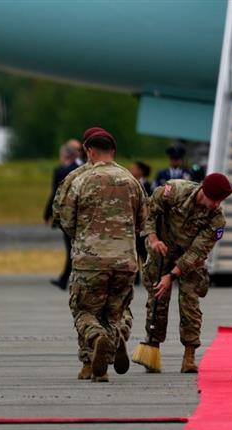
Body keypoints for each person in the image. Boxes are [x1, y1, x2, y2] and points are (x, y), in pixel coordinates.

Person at [54, 127, 146, 383]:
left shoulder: (80, 180)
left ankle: (97, 338)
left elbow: (65, 219)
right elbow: (142, 221)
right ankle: (106, 354)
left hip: (90, 259)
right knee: (116, 311)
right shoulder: (131, 181)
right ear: (113, 151)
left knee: (84, 310)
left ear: (89, 152)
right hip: (125, 261)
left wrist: (84, 237)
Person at [131, 173, 232, 374]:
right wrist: (153, 239)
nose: (215, 204)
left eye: (220, 201)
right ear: (203, 191)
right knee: (157, 299)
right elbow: (148, 211)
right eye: (214, 199)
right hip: (162, 250)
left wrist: (172, 275)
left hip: (190, 261)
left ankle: (189, 356)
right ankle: (152, 350)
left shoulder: (217, 219)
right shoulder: (174, 191)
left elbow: (197, 251)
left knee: (190, 303)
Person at [43, 142, 81, 290]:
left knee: (71, 248)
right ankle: (65, 279)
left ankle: (66, 280)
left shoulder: (61, 170)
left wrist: (47, 214)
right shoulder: (82, 168)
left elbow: (55, 194)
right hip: (83, 214)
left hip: (67, 215)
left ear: (65, 155)